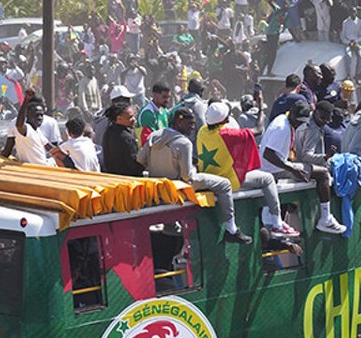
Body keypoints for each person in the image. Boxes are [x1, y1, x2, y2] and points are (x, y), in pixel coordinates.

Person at [138, 107, 251, 245]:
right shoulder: (184, 143)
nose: (193, 127)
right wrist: (193, 167)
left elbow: (140, 159)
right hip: (179, 186)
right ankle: (231, 229)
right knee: (225, 184)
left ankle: (171, 225)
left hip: (159, 186)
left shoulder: (155, 135)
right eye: (190, 123)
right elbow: (187, 176)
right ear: (179, 123)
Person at [197, 101, 298, 238]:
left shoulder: (202, 131)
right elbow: (258, 130)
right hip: (226, 179)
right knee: (267, 178)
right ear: (225, 119)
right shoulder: (227, 134)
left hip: (211, 178)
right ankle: (277, 223)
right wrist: (261, 109)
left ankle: (276, 222)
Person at [258, 101, 348, 235]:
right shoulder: (282, 128)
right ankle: (325, 218)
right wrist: (291, 169)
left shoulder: (284, 118)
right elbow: (268, 154)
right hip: (273, 170)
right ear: (293, 115)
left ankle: (277, 222)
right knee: (322, 174)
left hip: (276, 166)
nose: (300, 125)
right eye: (298, 121)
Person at [100, 103, 144, 177]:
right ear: (119, 119)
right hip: (127, 181)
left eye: (133, 116)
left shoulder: (108, 133)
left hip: (113, 179)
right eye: (130, 117)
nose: (134, 119)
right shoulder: (127, 138)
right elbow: (135, 167)